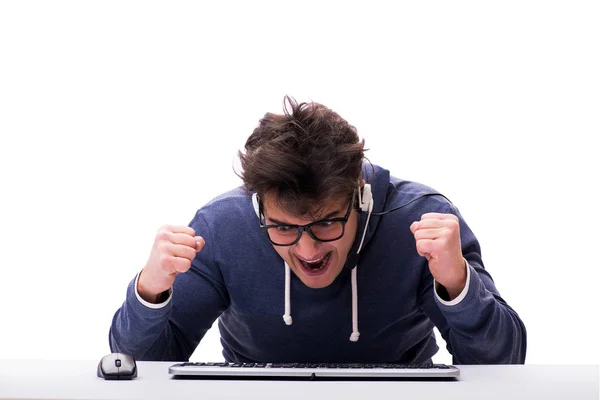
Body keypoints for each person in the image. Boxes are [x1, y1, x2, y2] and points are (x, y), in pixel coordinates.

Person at [109, 96, 527, 364]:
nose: (307, 249)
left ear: (360, 198)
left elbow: (503, 365)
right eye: (284, 227)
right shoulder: (221, 228)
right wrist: (150, 291)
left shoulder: (421, 222)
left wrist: (457, 286)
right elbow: (141, 366)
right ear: (258, 208)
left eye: (326, 222)